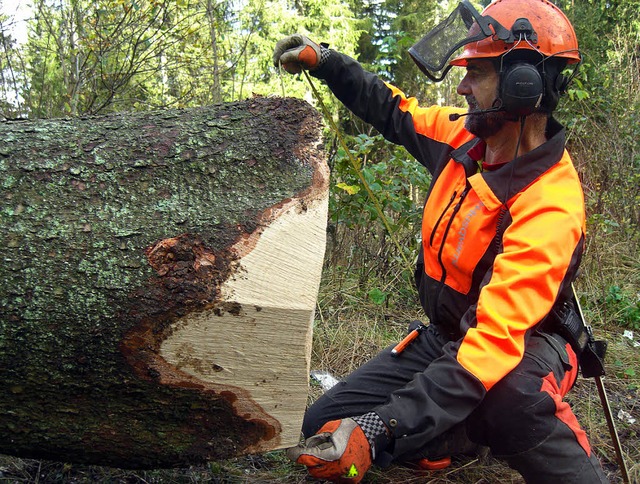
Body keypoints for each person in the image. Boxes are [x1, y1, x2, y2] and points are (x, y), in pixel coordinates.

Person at [273, 0, 608, 482]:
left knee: (509, 396)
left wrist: (377, 428)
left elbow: (491, 344)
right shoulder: (463, 138)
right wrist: (326, 62)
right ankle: (454, 431)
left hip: (526, 347)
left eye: (476, 72)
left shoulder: (550, 202)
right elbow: (393, 110)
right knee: (319, 426)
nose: (462, 86)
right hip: (449, 337)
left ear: (523, 85)